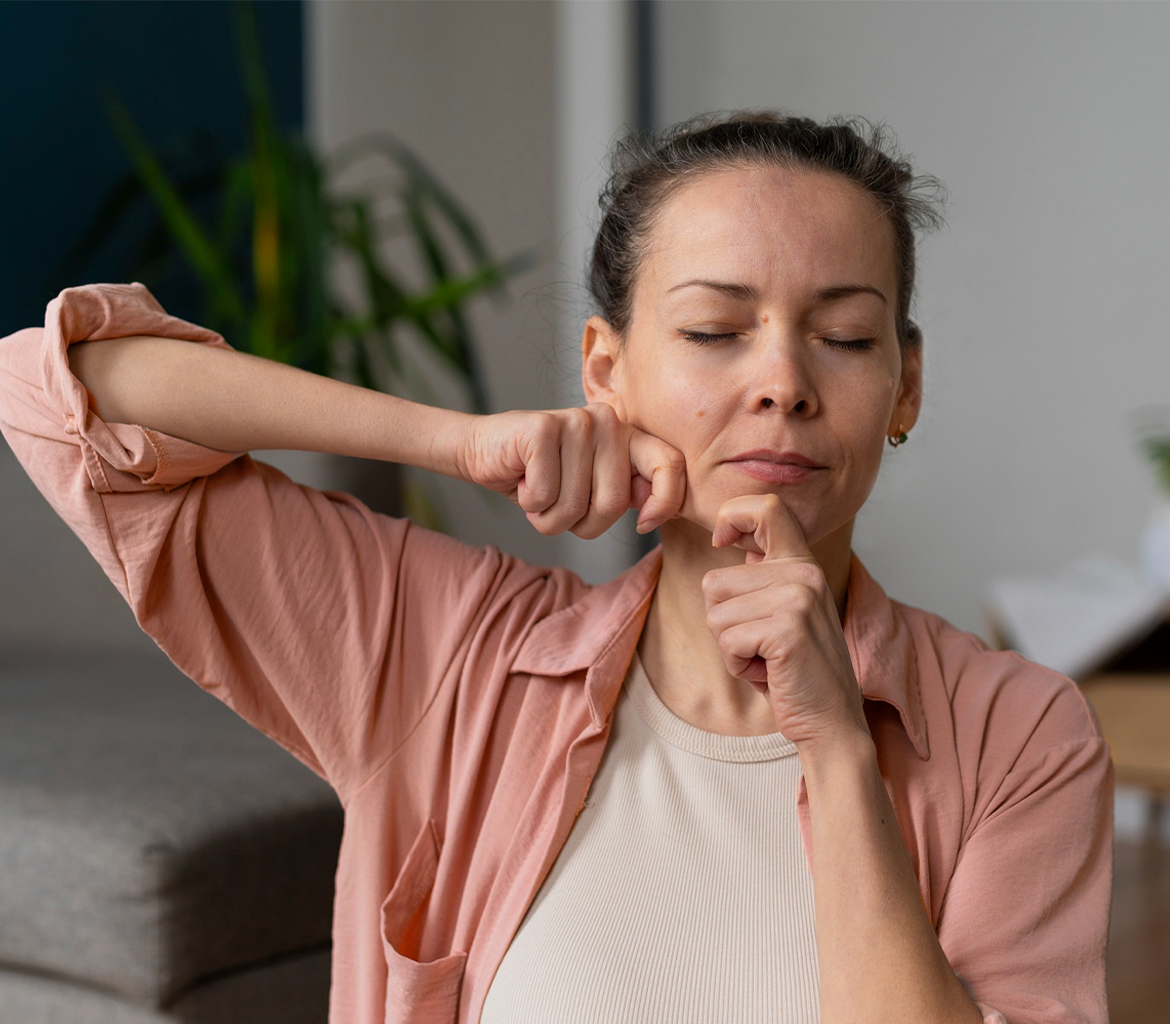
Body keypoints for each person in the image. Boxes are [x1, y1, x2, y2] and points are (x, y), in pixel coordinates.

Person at [0, 112, 1113, 1024]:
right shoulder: (451, 654)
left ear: (905, 387)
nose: (783, 379)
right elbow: (56, 393)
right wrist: (453, 440)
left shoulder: (1019, 734)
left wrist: (835, 740)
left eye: (847, 336)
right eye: (717, 331)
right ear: (606, 370)